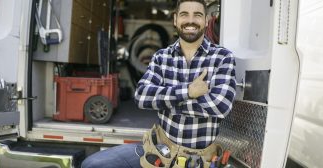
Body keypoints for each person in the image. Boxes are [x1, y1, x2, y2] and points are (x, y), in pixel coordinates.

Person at [81, 0, 236, 167]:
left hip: (198, 160)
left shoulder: (223, 58)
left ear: (206, 21)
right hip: (160, 152)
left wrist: (165, 101)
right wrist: (188, 92)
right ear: (175, 20)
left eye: (197, 15)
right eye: (184, 14)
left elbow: (221, 107)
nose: (190, 20)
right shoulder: (162, 57)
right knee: (92, 164)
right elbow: (141, 96)